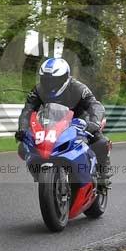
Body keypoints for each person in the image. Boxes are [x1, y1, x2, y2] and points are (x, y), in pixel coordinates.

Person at [15, 57, 112, 188]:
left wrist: (93, 123)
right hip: (51, 122)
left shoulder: (78, 88)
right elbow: (27, 110)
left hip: (80, 121)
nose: (50, 84)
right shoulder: (38, 90)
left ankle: (103, 173)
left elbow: (95, 105)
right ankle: (45, 175)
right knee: (23, 146)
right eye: (46, 80)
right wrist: (23, 128)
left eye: (54, 80)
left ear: (65, 77)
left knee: (100, 141)